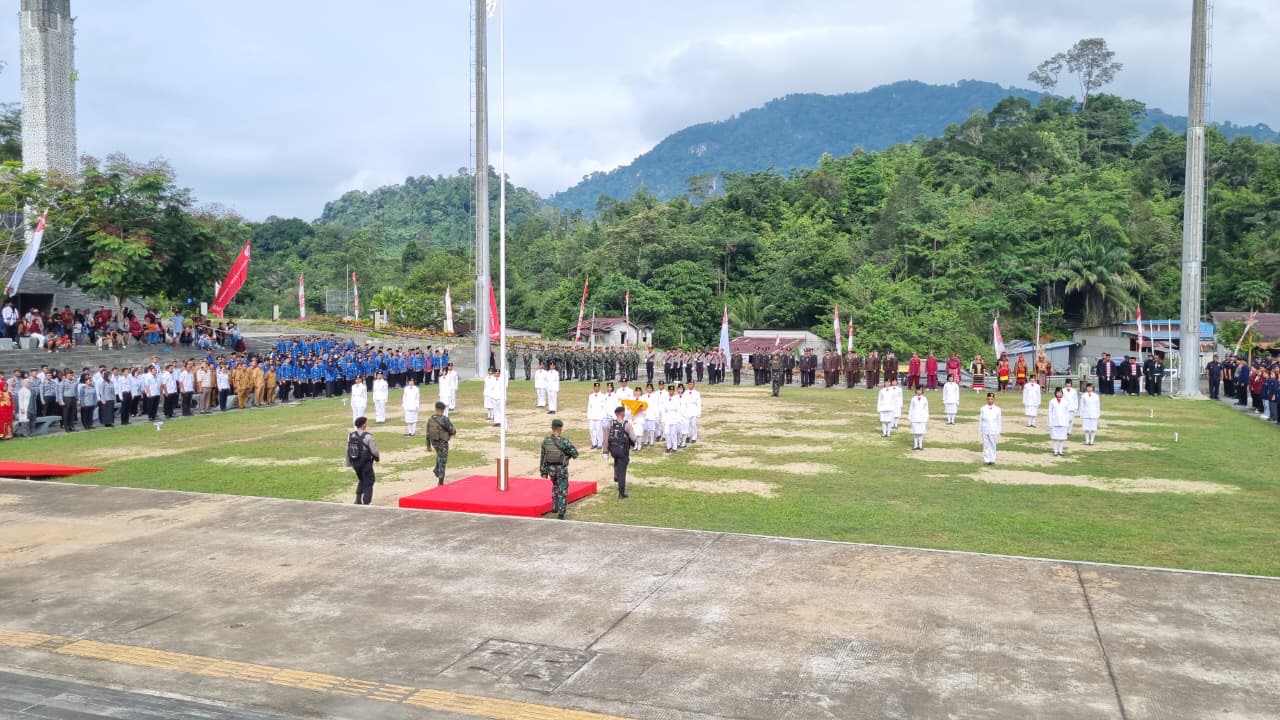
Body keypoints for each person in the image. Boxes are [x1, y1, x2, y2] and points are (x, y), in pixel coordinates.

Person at [540, 418, 580, 519]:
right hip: (561, 469)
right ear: (560, 428)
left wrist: (543, 472)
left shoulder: (546, 441)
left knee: (555, 486)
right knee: (563, 489)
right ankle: (561, 511)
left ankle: (555, 506)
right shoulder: (564, 441)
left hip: (551, 470)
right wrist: (567, 456)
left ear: (552, 428)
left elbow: (543, 457)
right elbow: (575, 454)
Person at [346, 416, 380, 505]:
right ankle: (366, 501)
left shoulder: (350, 435)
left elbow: (348, 450)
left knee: (361, 479)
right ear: (364, 425)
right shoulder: (368, 436)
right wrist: (377, 457)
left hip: (355, 463)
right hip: (366, 463)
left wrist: (349, 463)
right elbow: (374, 451)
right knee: (369, 481)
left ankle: (358, 499)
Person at [606, 406, 639, 498]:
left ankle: (616, 473)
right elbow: (633, 438)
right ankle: (621, 493)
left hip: (612, 449)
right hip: (622, 450)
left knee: (616, 460)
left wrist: (605, 451)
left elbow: (606, 438)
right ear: (623, 414)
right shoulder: (627, 424)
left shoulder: (610, 423)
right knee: (622, 471)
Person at [425, 401, 456, 485]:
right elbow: (453, 431)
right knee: (443, 461)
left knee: (439, 456)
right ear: (443, 409)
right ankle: (440, 481)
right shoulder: (444, 419)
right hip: (443, 443)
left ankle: (436, 469)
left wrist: (428, 446)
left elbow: (427, 433)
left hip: (434, 443)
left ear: (436, 409)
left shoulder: (430, 419)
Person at [978, 393, 1002, 465]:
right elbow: (981, 419)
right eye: (988, 399)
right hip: (985, 428)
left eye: (991, 399)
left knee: (993, 445)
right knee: (986, 445)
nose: (990, 400)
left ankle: (992, 459)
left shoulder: (998, 409)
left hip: (993, 429)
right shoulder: (983, 408)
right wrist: (980, 429)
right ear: (986, 399)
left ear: (994, 399)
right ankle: (986, 460)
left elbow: (999, 420)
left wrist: (998, 430)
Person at [1048, 387, 1071, 457]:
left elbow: (1067, 412)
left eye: (1060, 392)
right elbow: (1050, 412)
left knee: (1062, 437)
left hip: (1063, 422)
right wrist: (1050, 422)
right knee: (1054, 437)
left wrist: (1067, 422)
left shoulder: (1065, 401)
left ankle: (1060, 450)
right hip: (1055, 421)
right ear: (1055, 393)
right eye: (1058, 392)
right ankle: (1055, 450)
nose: (1059, 394)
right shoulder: (1052, 401)